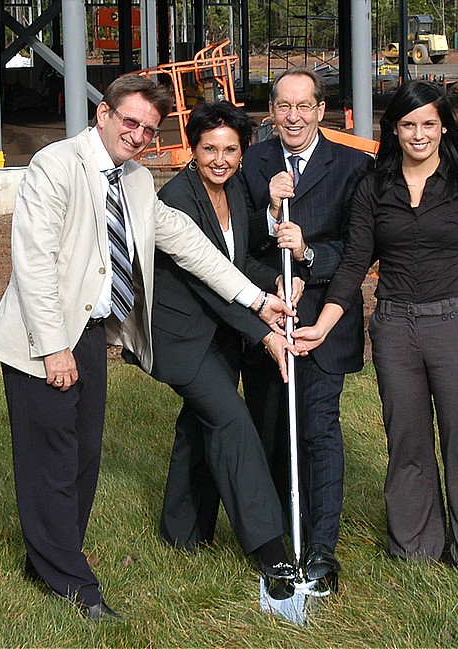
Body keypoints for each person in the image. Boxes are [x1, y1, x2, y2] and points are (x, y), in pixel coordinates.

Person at [0, 75, 296, 621]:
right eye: (130, 121)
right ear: (102, 114)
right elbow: (33, 263)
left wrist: (255, 299)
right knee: (50, 462)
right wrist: (53, 348)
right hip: (44, 336)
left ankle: (50, 560)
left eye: (149, 130)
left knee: (82, 459)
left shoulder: (133, 180)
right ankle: (73, 584)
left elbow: (186, 242)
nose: (138, 135)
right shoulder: (55, 166)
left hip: (91, 336)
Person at [294, 80, 458, 579]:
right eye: (408, 124)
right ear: (394, 129)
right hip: (393, 329)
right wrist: (323, 326)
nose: (419, 134)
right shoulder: (373, 188)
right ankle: (416, 550)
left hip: (456, 324)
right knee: (407, 440)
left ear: (443, 128)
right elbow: (351, 266)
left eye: (429, 124)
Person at [148, 101, 304, 582]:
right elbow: (207, 282)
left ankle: (183, 532)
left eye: (230, 150)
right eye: (209, 149)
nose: (220, 159)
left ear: (243, 152)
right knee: (232, 421)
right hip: (182, 339)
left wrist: (274, 283)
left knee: (200, 428)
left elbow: (235, 259)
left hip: (220, 335)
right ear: (191, 149)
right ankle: (269, 547)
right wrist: (263, 329)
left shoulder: (234, 187)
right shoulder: (177, 198)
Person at [241, 67, 371, 590]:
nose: (293, 117)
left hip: (324, 321)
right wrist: (272, 216)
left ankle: (320, 549)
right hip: (270, 318)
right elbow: (240, 244)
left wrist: (308, 253)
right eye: (283, 107)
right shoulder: (252, 163)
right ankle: (278, 543)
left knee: (318, 429)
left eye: (304, 106)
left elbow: (359, 247)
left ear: (322, 111)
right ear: (271, 113)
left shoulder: (353, 167)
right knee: (272, 429)